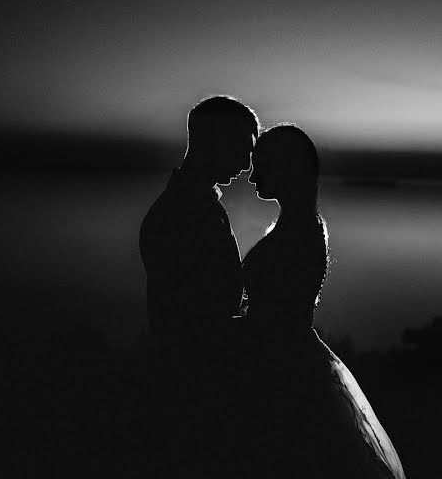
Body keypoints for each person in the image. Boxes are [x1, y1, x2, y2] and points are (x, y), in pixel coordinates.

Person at [242, 124, 406, 479]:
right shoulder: (299, 224)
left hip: (281, 365)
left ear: (285, 168)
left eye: (261, 165)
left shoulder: (299, 231)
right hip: (284, 355)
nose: (253, 177)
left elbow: (280, 310)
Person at [138, 95, 259, 475]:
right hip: (196, 396)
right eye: (242, 149)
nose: (245, 164)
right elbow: (188, 324)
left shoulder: (197, 205)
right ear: (212, 141)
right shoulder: (180, 214)